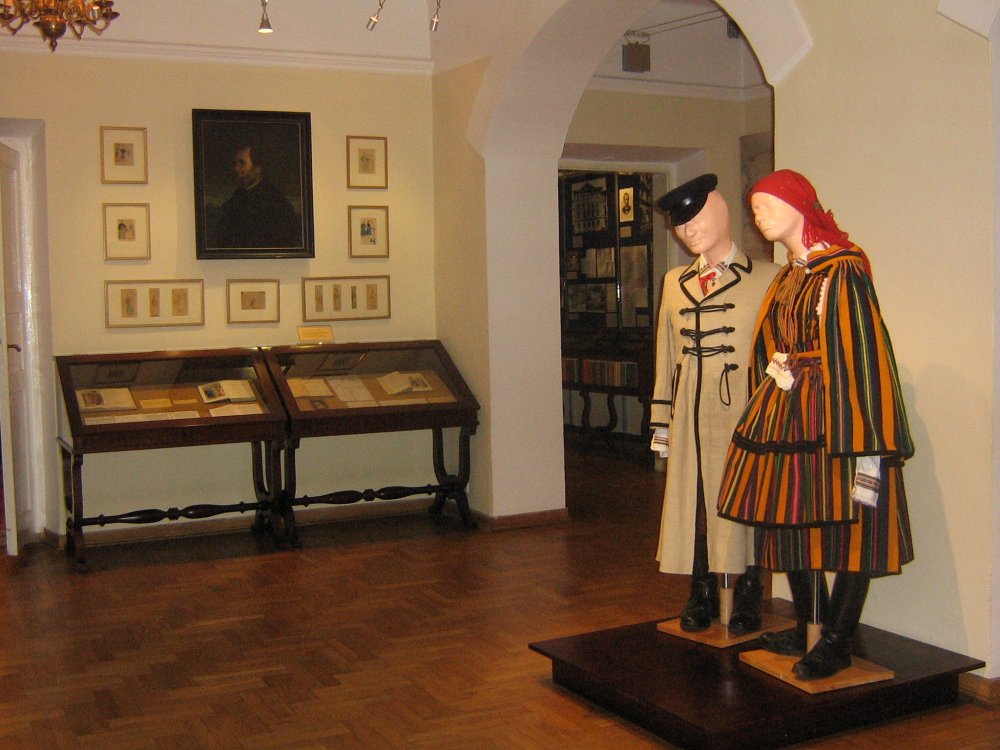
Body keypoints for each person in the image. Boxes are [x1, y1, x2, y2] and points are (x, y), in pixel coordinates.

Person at [716, 169, 914, 679]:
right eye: (754, 208)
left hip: (837, 413)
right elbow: (769, 342)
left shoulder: (841, 270)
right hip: (787, 412)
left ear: (799, 206)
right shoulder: (790, 275)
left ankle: (837, 638)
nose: (759, 216)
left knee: (855, 524)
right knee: (788, 517)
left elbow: (862, 348)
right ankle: (810, 622)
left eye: (768, 205)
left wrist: (867, 437)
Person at [651, 174, 780, 634]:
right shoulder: (674, 282)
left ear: (720, 213)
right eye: (680, 225)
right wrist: (661, 421)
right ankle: (701, 591)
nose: (688, 231)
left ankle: (749, 592)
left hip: (744, 409)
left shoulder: (769, 277)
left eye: (696, 219)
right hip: (689, 410)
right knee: (696, 504)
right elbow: (666, 353)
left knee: (748, 501)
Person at [213, 143, 300, 249]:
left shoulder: (274, 200)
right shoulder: (238, 195)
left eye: (242, 163)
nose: (236, 168)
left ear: (258, 168)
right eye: (236, 163)